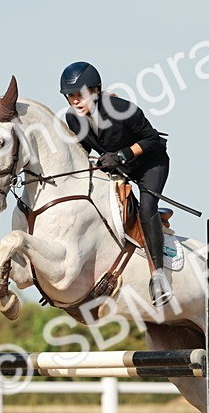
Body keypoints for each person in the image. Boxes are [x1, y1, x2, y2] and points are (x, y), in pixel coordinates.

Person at [59, 61, 174, 307]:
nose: (75, 101)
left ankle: (158, 276)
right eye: (70, 96)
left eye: (80, 95)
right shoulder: (73, 118)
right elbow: (83, 150)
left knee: (146, 208)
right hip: (118, 170)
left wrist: (122, 155)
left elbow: (152, 140)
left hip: (149, 165)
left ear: (96, 90)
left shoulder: (123, 109)